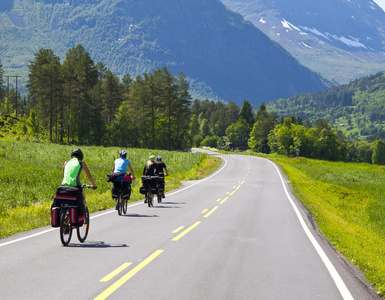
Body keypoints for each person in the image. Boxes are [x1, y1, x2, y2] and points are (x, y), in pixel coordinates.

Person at [61, 149, 97, 215]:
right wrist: (93, 185)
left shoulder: (66, 163)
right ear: (81, 156)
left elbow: (64, 176)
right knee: (82, 197)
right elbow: (89, 176)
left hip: (63, 186)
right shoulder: (81, 163)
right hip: (75, 186)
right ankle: (82, 212)